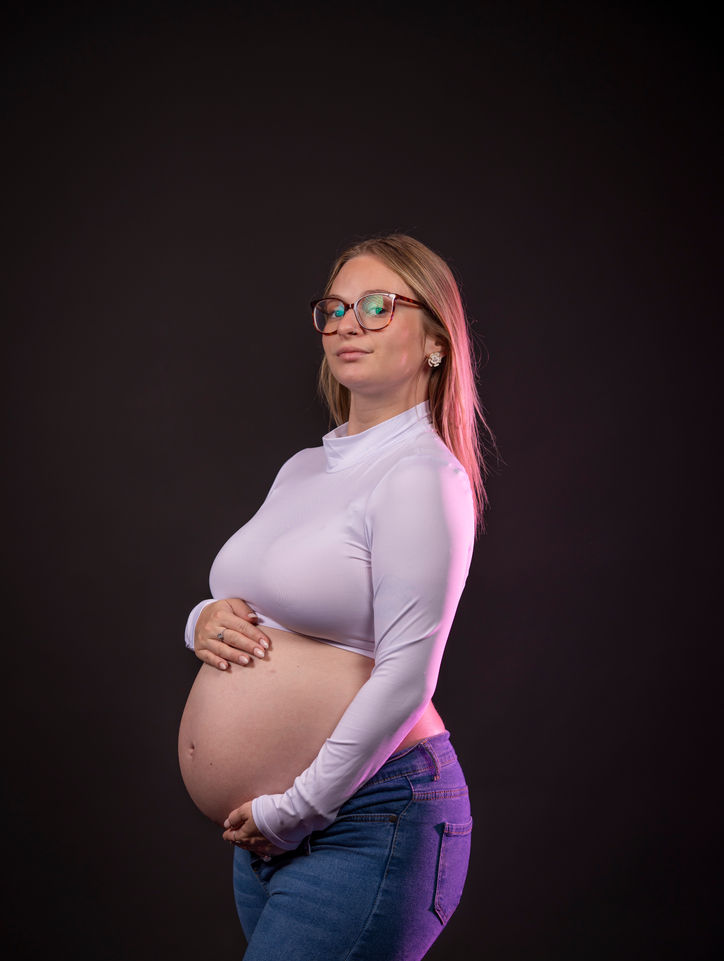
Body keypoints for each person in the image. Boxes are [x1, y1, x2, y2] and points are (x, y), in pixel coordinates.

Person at [178, 233, 496, 960]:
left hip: (364, 819)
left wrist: (298, 809)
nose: (348, 324)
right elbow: (257, 599)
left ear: (437, 342)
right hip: (275, 828)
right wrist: (201, 620)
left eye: (378, 306)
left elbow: (407, 677)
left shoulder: (421, 474)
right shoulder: (304, 467)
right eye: (335, 308)